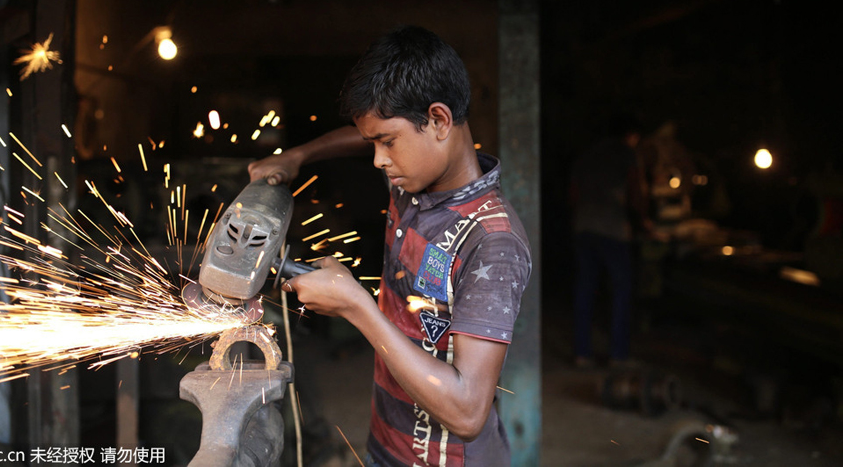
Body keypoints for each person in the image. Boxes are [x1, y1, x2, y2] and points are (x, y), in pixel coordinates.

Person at [248, 25, 532, 467]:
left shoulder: (492, 242)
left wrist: (357, 307)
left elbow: (469, 410)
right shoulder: (412, 175)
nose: (379, 159)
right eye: (373, 143)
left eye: (388, 143)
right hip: (386, 446)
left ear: (438, 120)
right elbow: (367, 136)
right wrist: (299, 155)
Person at [570, 112, 650, 369]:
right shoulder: (627, 153)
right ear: (632, 135)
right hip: (612, 230)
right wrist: (644, 220)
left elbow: (573, 192)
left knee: (585, 289)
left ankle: (582, 353)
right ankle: (618, 355)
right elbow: (636, 190)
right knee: (621, 290)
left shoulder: (589, 154)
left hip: (584, 227)